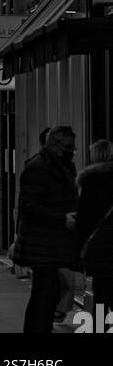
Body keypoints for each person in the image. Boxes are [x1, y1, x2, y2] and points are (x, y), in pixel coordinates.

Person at [12, 124, 79, 334]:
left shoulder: (62, 166)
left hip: (51, 242)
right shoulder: (38, 167)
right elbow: (29, 206)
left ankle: (38, 329)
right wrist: (62, 218)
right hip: (42, 243)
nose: (71, 151)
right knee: (46, 291)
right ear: (56, 145)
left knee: (46, 292)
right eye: (69, 147)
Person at [76, 137, 113, 323]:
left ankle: (99, 327)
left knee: (100, 296)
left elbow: (83, 218)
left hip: (98, 246)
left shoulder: (90, 181)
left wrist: (78, 248)